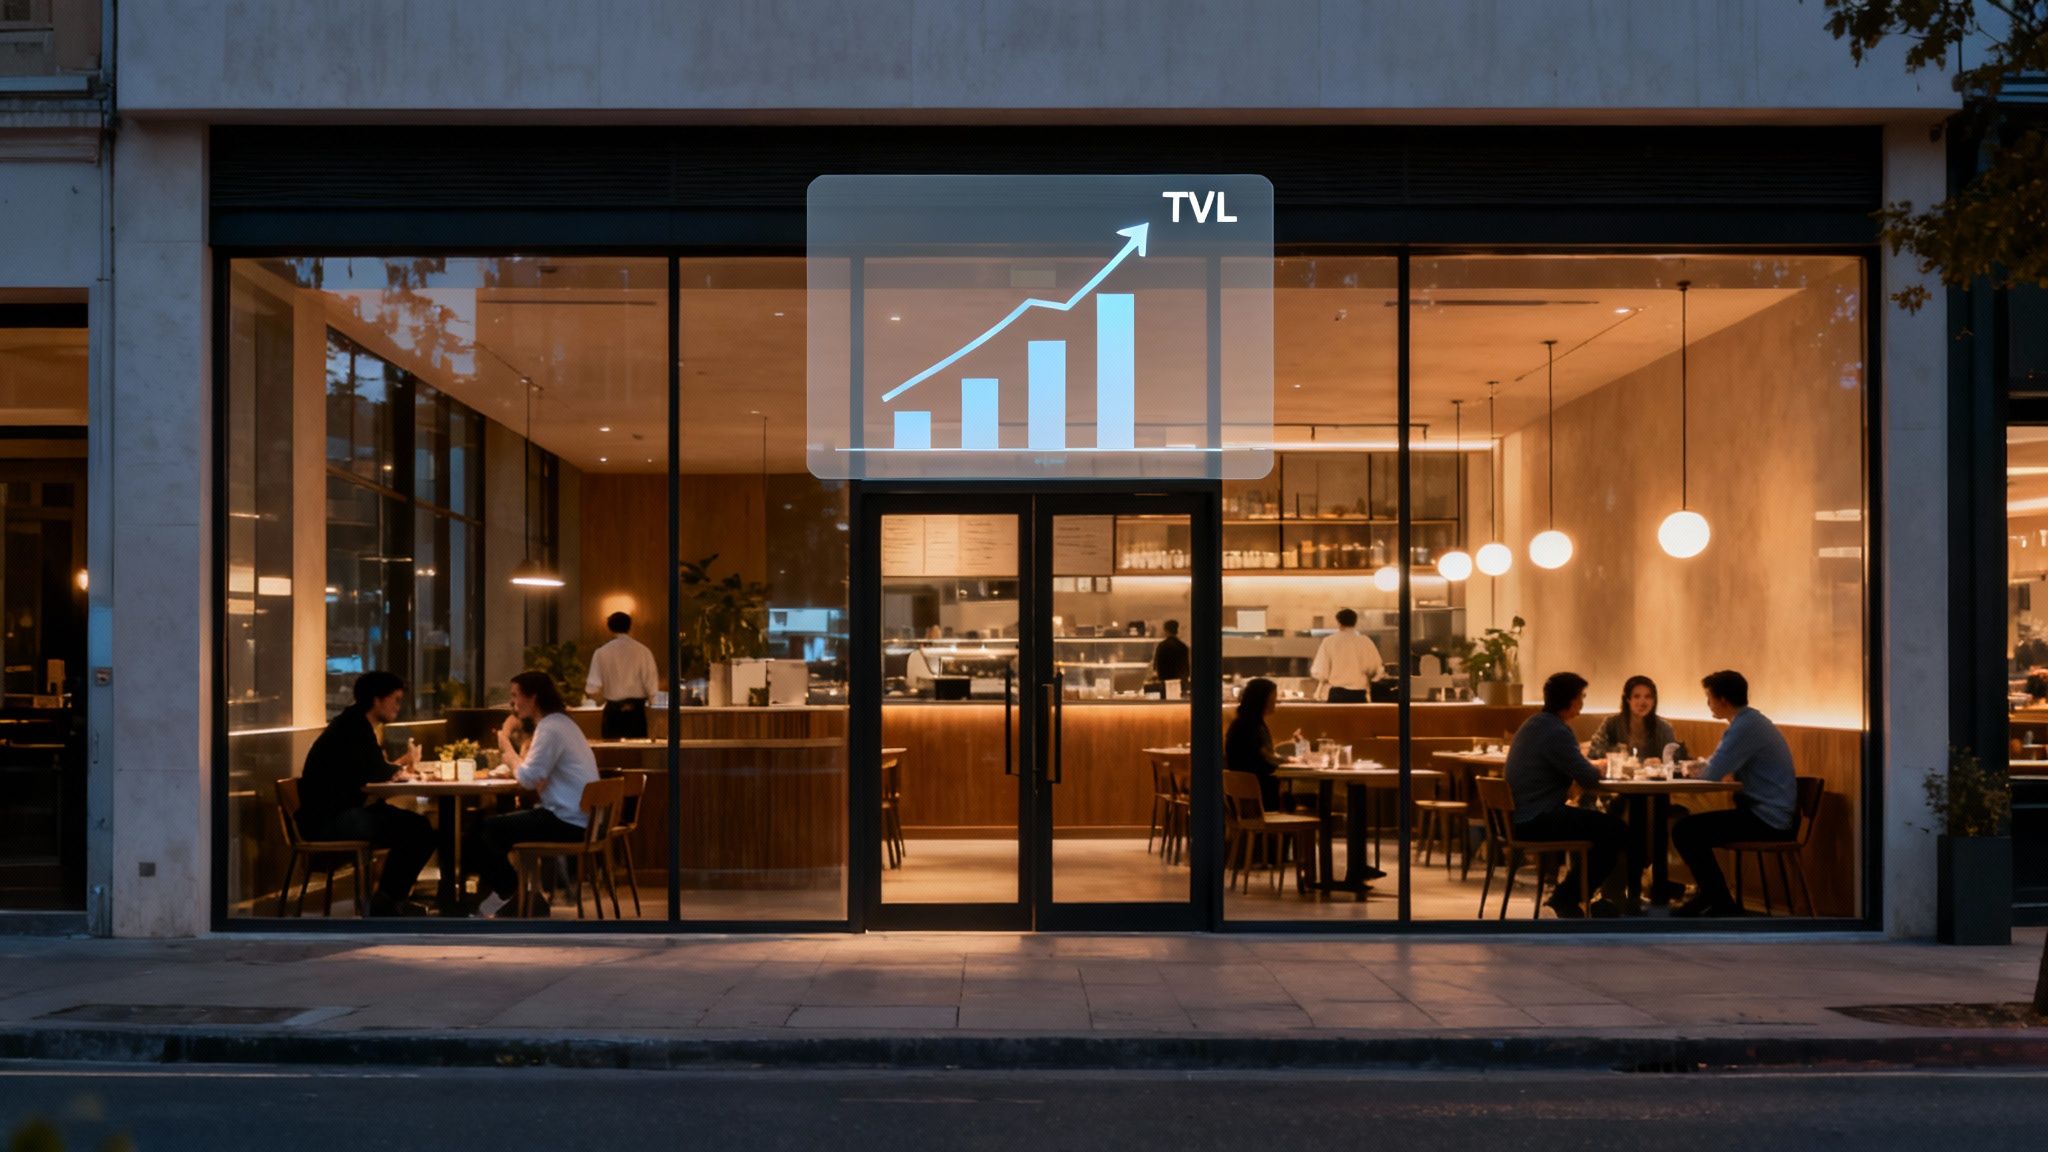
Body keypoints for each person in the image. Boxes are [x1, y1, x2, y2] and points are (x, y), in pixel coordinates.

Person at [294, 671, 434, 916]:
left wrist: (396, 768)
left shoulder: (352, 723)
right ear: (377, 699)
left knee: (416, 827)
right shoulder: (354, 729)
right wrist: (400, 769)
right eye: (396, 700)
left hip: (335, 813)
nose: (398, 706)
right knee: (418, 830)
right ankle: (388, 901)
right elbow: (376, 771)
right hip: (331, 820)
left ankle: (389, 900)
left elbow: (370, 770)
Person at [472, 671, 602, 918]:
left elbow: (529, 779)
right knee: (493, 830)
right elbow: (536, 773)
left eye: (515, 696)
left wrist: (507, 750)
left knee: (484, 830)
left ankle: (515, 895)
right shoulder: (562, 723)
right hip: (581, 819)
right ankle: (518, 897)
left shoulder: (550, 727)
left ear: (533, 697)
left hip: (567, 821)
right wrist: (519, 765)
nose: (512, 703)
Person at [1504, 671, 1633, 918]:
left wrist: (1589, 766)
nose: (1582, 702)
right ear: (1572, 700)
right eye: (1581, 696)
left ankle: (1580, 897)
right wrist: (1599, 767)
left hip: (1518, 818)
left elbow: (1576, 768)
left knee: (1607, 827)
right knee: (1616, 830)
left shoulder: (1535, 724)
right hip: (1536, 820)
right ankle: (1567, 898)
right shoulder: (1555, 731)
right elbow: (1588, 778)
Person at [1672, 670, 1800, 918]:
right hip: (1773, 814)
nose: (1708, 703)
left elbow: (1712, 772)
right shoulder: (1750, 722)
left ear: (1723, 700)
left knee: (1685, 830)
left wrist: (1691, 770)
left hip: (1769, 820)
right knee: (1688, 829)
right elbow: (1718, 766)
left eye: (1709, 697)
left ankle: (1718, 901)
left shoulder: (1745, 727)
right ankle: (1715, 898)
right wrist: (1707, 768)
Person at [585, 611, 660, 739]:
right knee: (636, 750)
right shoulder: (643, 651)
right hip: (636, 712)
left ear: (610, 628)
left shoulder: (601, 653)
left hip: (612, 713)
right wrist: (653, 708)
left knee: (613, 749)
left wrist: (599, 700)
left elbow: (592, 688)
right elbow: (652, 685)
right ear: (630, 627)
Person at [1587, 676, 1688, 762]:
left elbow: (1674, 758)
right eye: (1636, 696)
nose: (1642, 702)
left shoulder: (1663, 727)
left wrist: (1661, 761)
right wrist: (1619, 752)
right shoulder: (1611, 723)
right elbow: (1594, 751)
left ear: (1654, 701)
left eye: (1648, 697)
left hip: (1654, 778)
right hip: (1618, 777)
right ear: (1628, 699)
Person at [1224, 677, 1286, 813]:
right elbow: (1267, 759)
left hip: (1242, 800)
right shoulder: (1252, 727)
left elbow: (1265, 755)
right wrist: (1291, 762)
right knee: (1299, 798)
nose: (1276, 702)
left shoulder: (1241, 723)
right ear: (1262, 700)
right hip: (1259, 800)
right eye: (1273, 698)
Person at [1309, 608, 1384, 703]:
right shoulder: (1365, 641)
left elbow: (1321, 672)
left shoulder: (1329, 641)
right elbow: (1375, 669)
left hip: (1337, 694)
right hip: (1359, 694)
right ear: (1355, 622)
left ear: (1338, 622)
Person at [1150, 619, 1191, 687]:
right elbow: (1186, 668)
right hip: (1179, 683)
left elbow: (1156, 666)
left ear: (1166, 630)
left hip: (1165, 682)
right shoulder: (1183, 646)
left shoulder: (1162, 646)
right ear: (1177, 630)